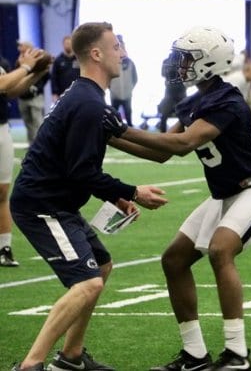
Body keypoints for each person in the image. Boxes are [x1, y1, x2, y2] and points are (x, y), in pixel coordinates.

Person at [104, 26, 251, 370]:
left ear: (208, 62)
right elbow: (161, 153)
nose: (178, 65)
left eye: (186, 58)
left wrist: (119, 129)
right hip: (224, 194)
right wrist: (108, 137)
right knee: (173, 260)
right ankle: (195, 354)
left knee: (220, 250)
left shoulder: (227, 100)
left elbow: (183, 144)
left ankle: (237, 354)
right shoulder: (194, 101)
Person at [9, 22, 167, 371]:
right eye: (116, 48)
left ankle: (72, 356)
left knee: (102, 265)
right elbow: (81, 171)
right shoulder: (88, 103)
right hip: (42, 205)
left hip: (58, 201)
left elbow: (79, 166)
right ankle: (30, 365)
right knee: (87, 283)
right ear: (96, 54)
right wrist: (132, 192)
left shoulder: (87, 96)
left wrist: (116, 197)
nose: (122, 54)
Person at [1, 47, 51, 268]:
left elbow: (10, 92)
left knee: (2, 192)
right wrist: (27, 66)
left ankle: (4, 248)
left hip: (2, 128)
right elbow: (2, 84)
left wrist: (37, 72)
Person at [16, 40, 50, 144]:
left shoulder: (38, 57)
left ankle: (42, 144)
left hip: (35, 97)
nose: (18, 47)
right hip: (22, 96)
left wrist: (37, 87)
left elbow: (46, 75)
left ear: (27, 47)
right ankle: (32, 144)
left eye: (21, 45)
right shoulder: (19, 60)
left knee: (37, 121)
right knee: (28, 122)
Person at [109, 35, 138, 126]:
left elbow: (135, 78)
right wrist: (113, 89)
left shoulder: (130, 62)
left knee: (129, 118)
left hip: (127, 96)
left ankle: (132, 137)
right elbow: (108, 78)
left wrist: (129, 89)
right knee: (113, 119)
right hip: (114, 96)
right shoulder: (111, 62)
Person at [157, 52, 187, 133]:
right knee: (164, 115)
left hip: (181, 91)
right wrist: (171, 69)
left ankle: (185, 134)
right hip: (169, 92)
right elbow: (163, 74)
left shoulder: (184, 61)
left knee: (185, 115)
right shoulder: (166, 61)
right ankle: (162, 135)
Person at [50, 35, 80, 102]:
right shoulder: (58, 60)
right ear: (63, 45)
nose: (68, 45)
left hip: (77, 93)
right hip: (62, 94)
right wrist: (54, 93)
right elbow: (54, 78)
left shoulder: (79, 59)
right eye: (66, 44)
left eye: (69, 43)